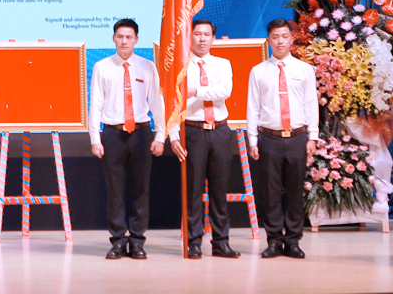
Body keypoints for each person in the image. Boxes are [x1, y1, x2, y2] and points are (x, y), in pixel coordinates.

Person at [89, 18, 165, 260]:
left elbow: (157, 103)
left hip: (142, 133)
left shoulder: (147, 66)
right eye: (120, 36)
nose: (124, 41)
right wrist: (95, 138)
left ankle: (137, 241)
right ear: (113, 39)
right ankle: (118, 241)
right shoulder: (102, 66)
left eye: (128, 37)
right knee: (115, 190)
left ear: (136, 40)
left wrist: (161, 134)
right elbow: (96, 104)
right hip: (113, 134)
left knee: (141, 190)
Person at [169, 19, 241, 259]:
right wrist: (173, 136)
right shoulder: (179, 66)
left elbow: (224, 92)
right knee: (193, 191)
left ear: (213, 38)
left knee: (220, 191)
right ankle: (194, 243)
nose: (201, 38)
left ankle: (221, 242)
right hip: (192, 131)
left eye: (206, 34)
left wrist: (195, 91)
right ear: (189, 37)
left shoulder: (223, 64)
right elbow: (170, 103)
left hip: (220, 130)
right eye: (197, 34)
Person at [247, 19, 318, 259]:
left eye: (284, 36)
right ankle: (274, 240)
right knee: (271, 192)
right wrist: (253, 140)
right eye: (275, 37)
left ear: (291, 39)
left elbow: (311, 105)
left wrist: (313, 137)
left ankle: (293, 241)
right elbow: (252, 108)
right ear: (268, 40)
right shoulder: (258, 71)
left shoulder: (304, 69)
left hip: (298, 137)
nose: (279, 41)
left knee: (295, 191)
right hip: (269, 138)